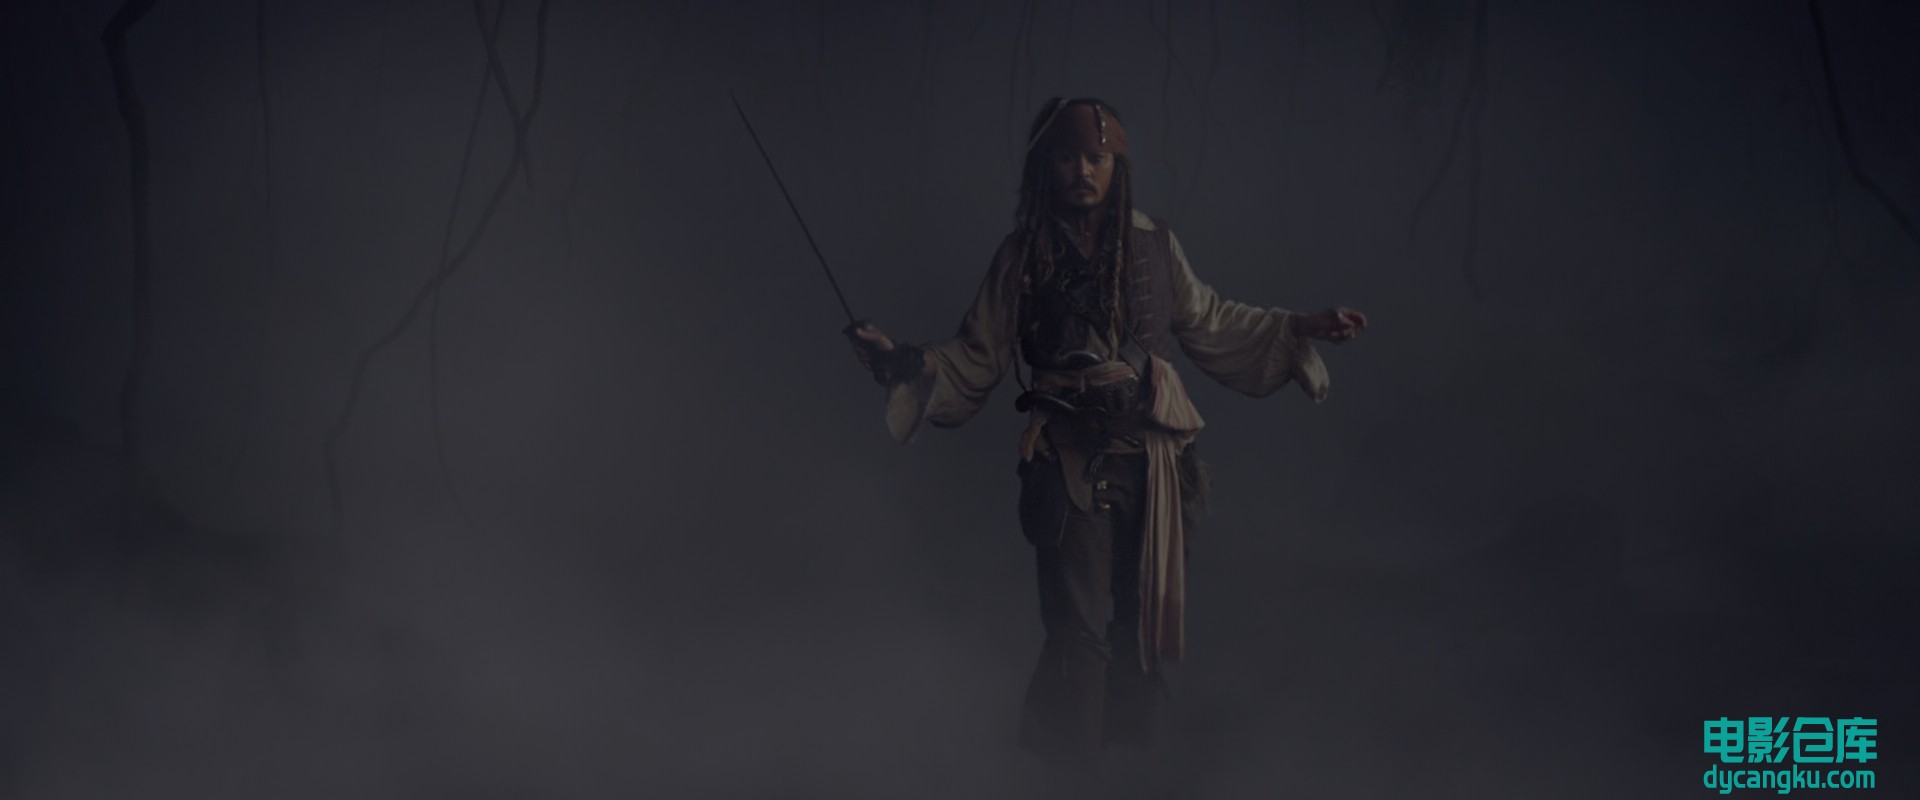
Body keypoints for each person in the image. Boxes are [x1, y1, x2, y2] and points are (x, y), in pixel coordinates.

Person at [846, 97, 1366, 767]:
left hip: (1154, 461)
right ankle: (1069, 772)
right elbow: (976, 355)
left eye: (1097, 157)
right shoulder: (1024, 254)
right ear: (1047, 166)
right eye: (1068, 157)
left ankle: (1124, 774)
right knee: (1078, 632)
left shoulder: (1156, 243)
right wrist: (904, 361)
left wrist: (1298, 325)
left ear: (1117, 166)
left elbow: (1210, 320)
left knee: (1136, 629)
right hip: (1069, 461)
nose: (1082, 171)